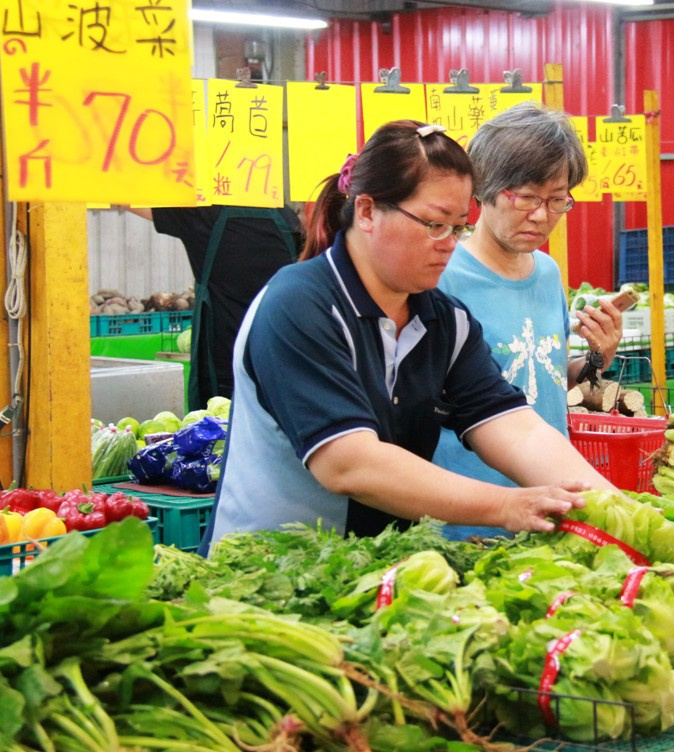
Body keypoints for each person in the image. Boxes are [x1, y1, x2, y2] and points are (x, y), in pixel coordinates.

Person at [204, 119, 616, 547]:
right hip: (266, 577)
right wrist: (507, 506)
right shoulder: (298, 305)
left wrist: (615, 509)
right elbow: (348, 463)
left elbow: (516, 429)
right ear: (367, 212)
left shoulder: (445, 322)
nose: (450, 244)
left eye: (457, 227)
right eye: (434, 225)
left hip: (377, 573)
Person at [431, 102, 624, 540]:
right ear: (482, 190)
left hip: (550, 506)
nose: (542, 215)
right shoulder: (441, 277)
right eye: (526, 197)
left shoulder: (548, 272)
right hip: (469, 517)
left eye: (557, 200)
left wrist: (597, 358)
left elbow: (548, 383)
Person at [127, 203, 302, 411]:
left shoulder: (203, 215)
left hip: (220, 368)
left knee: (218, 436)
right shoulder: (289, 218)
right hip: (277, 363)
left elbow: (130, 199)